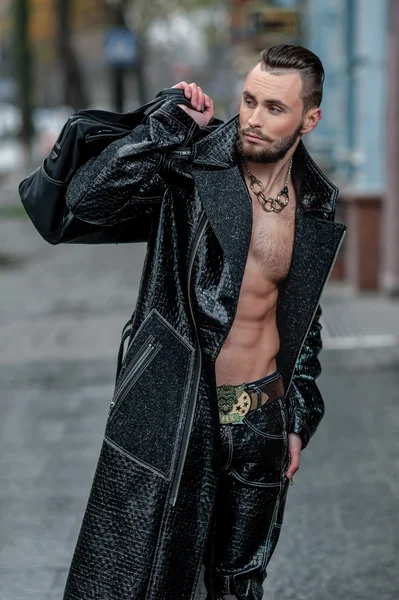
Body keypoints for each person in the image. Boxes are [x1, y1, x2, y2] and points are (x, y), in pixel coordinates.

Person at [21, 45, 346, 600]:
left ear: (308, 120)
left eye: (274, 108)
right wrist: (166, 124)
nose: (253, 119)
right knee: (150, 579)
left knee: (240, 580)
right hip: (179, 414)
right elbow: (88, 199)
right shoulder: (194, 168)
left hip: (261, 417)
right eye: (248, 101)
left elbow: (301, 319)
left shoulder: (315, 202)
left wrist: (298, 414)